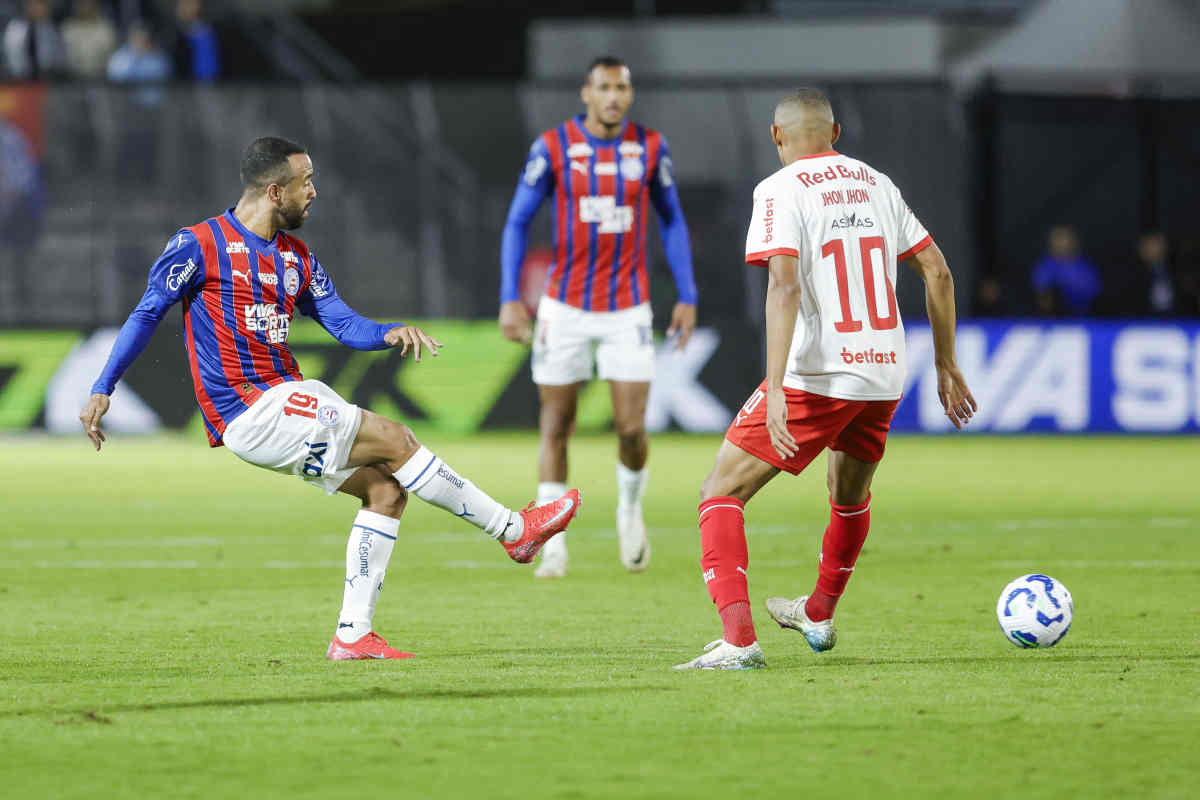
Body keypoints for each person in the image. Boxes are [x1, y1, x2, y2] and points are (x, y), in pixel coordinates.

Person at [80, 137, 581, 661]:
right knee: (396, 438)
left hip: (283, 402)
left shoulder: (296, 258)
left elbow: (342, 323)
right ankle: (514, 530)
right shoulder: (198, 244)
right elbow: (146, 313)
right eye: (306, 182)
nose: (314, 192)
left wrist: (387, 332)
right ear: (275, 191)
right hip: (250, 408)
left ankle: (352, 634)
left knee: (387, 491)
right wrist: (102, 387)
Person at [675, 89, 976, 670]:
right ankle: (817, 611)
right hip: (885, 372)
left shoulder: (779, 189)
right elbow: (938, 271)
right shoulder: (877, 183)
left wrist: (777, 386)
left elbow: (784, 286)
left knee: (720, 492)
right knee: (848, 495)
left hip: (820, 372)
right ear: (835, 132)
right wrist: (946, 363)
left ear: (776, 137)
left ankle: (738, 642)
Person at [498, 55, 698, 579]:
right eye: (604, 87)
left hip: (627, 307)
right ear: (586, 93)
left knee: (632, 428)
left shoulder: (650, 148)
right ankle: (552, 538)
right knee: (556, 424)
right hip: (563, 307)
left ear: (630, 95)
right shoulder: (554, 147)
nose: (613, 96)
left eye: (622, 88)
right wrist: (510, 296)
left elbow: (673, 221)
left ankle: (629, 509)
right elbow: (517, 222)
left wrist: (688, 293)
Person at [1032, 225, 1101, 316]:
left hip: (1084, 317)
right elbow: (1041, 294)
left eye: (1064, 238)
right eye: (1057, 239)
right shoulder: (1044, 266)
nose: (1061, 243)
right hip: (1051, 319)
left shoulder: (1085, 267)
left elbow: (1094, 293)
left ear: (1074, 241)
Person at [2, 0, 65, 79]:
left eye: (40, 5)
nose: (36, 8)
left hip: (48, 78)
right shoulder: (14, 28)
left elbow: (59, 57)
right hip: (17, 77)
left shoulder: (53, 30)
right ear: (26, 6)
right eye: (32, 5)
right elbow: (8, 55)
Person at [61, 0, 118, 80]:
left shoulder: (106, 29)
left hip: (102, 79)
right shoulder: (67, 29)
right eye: (81, 3)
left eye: (89, 2)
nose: (85, 6)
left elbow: (113, 61)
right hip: (72, 79)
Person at [172, 0, 219, 81]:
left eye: (188, 4)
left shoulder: (205, 34)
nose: (182, 8)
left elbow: (207, 71)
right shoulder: (174, 33)